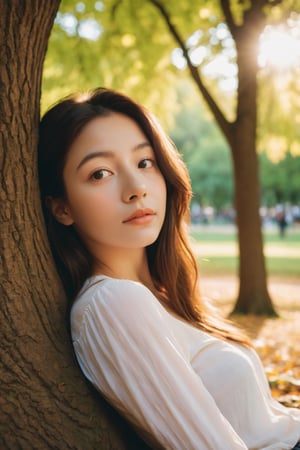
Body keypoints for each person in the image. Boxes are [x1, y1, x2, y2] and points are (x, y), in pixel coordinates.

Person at [38, 87, 300, 450]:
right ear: (61, 208)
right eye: (100, 173)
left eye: (145, 163)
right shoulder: (112, 303)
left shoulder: (161, 294)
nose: (136, 189)